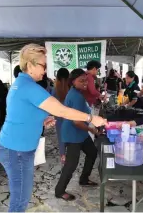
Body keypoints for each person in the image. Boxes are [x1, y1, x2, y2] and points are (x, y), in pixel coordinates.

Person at [0, 43, 106, 212]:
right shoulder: (29, 87)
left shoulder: (21, 83)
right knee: (20, 200)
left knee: (21, 197)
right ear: (30, 64)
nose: (45, 70)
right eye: (43, 65)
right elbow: (62, 110)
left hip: (15, 146)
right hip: (15, 150)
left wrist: (41, 120)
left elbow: (21, 112)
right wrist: (91, 118)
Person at [55, 69, 99, 201]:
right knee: (71, 165)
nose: (85, 83)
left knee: (92, 152)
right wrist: (91, 130)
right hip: (73, 134)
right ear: (73, 82)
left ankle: (84, 179)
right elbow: (76, 122)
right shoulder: (76, 96)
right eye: (81, 80)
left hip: (81, 133)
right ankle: (59, 191)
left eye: (86, 80)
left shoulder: (78, 93)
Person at [51, 68, 70, 163]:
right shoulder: (71, 88)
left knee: (60, 135)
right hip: (69, 115)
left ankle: (63, 155)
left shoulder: (54, 90)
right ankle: (71, 152)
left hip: (58, 116)